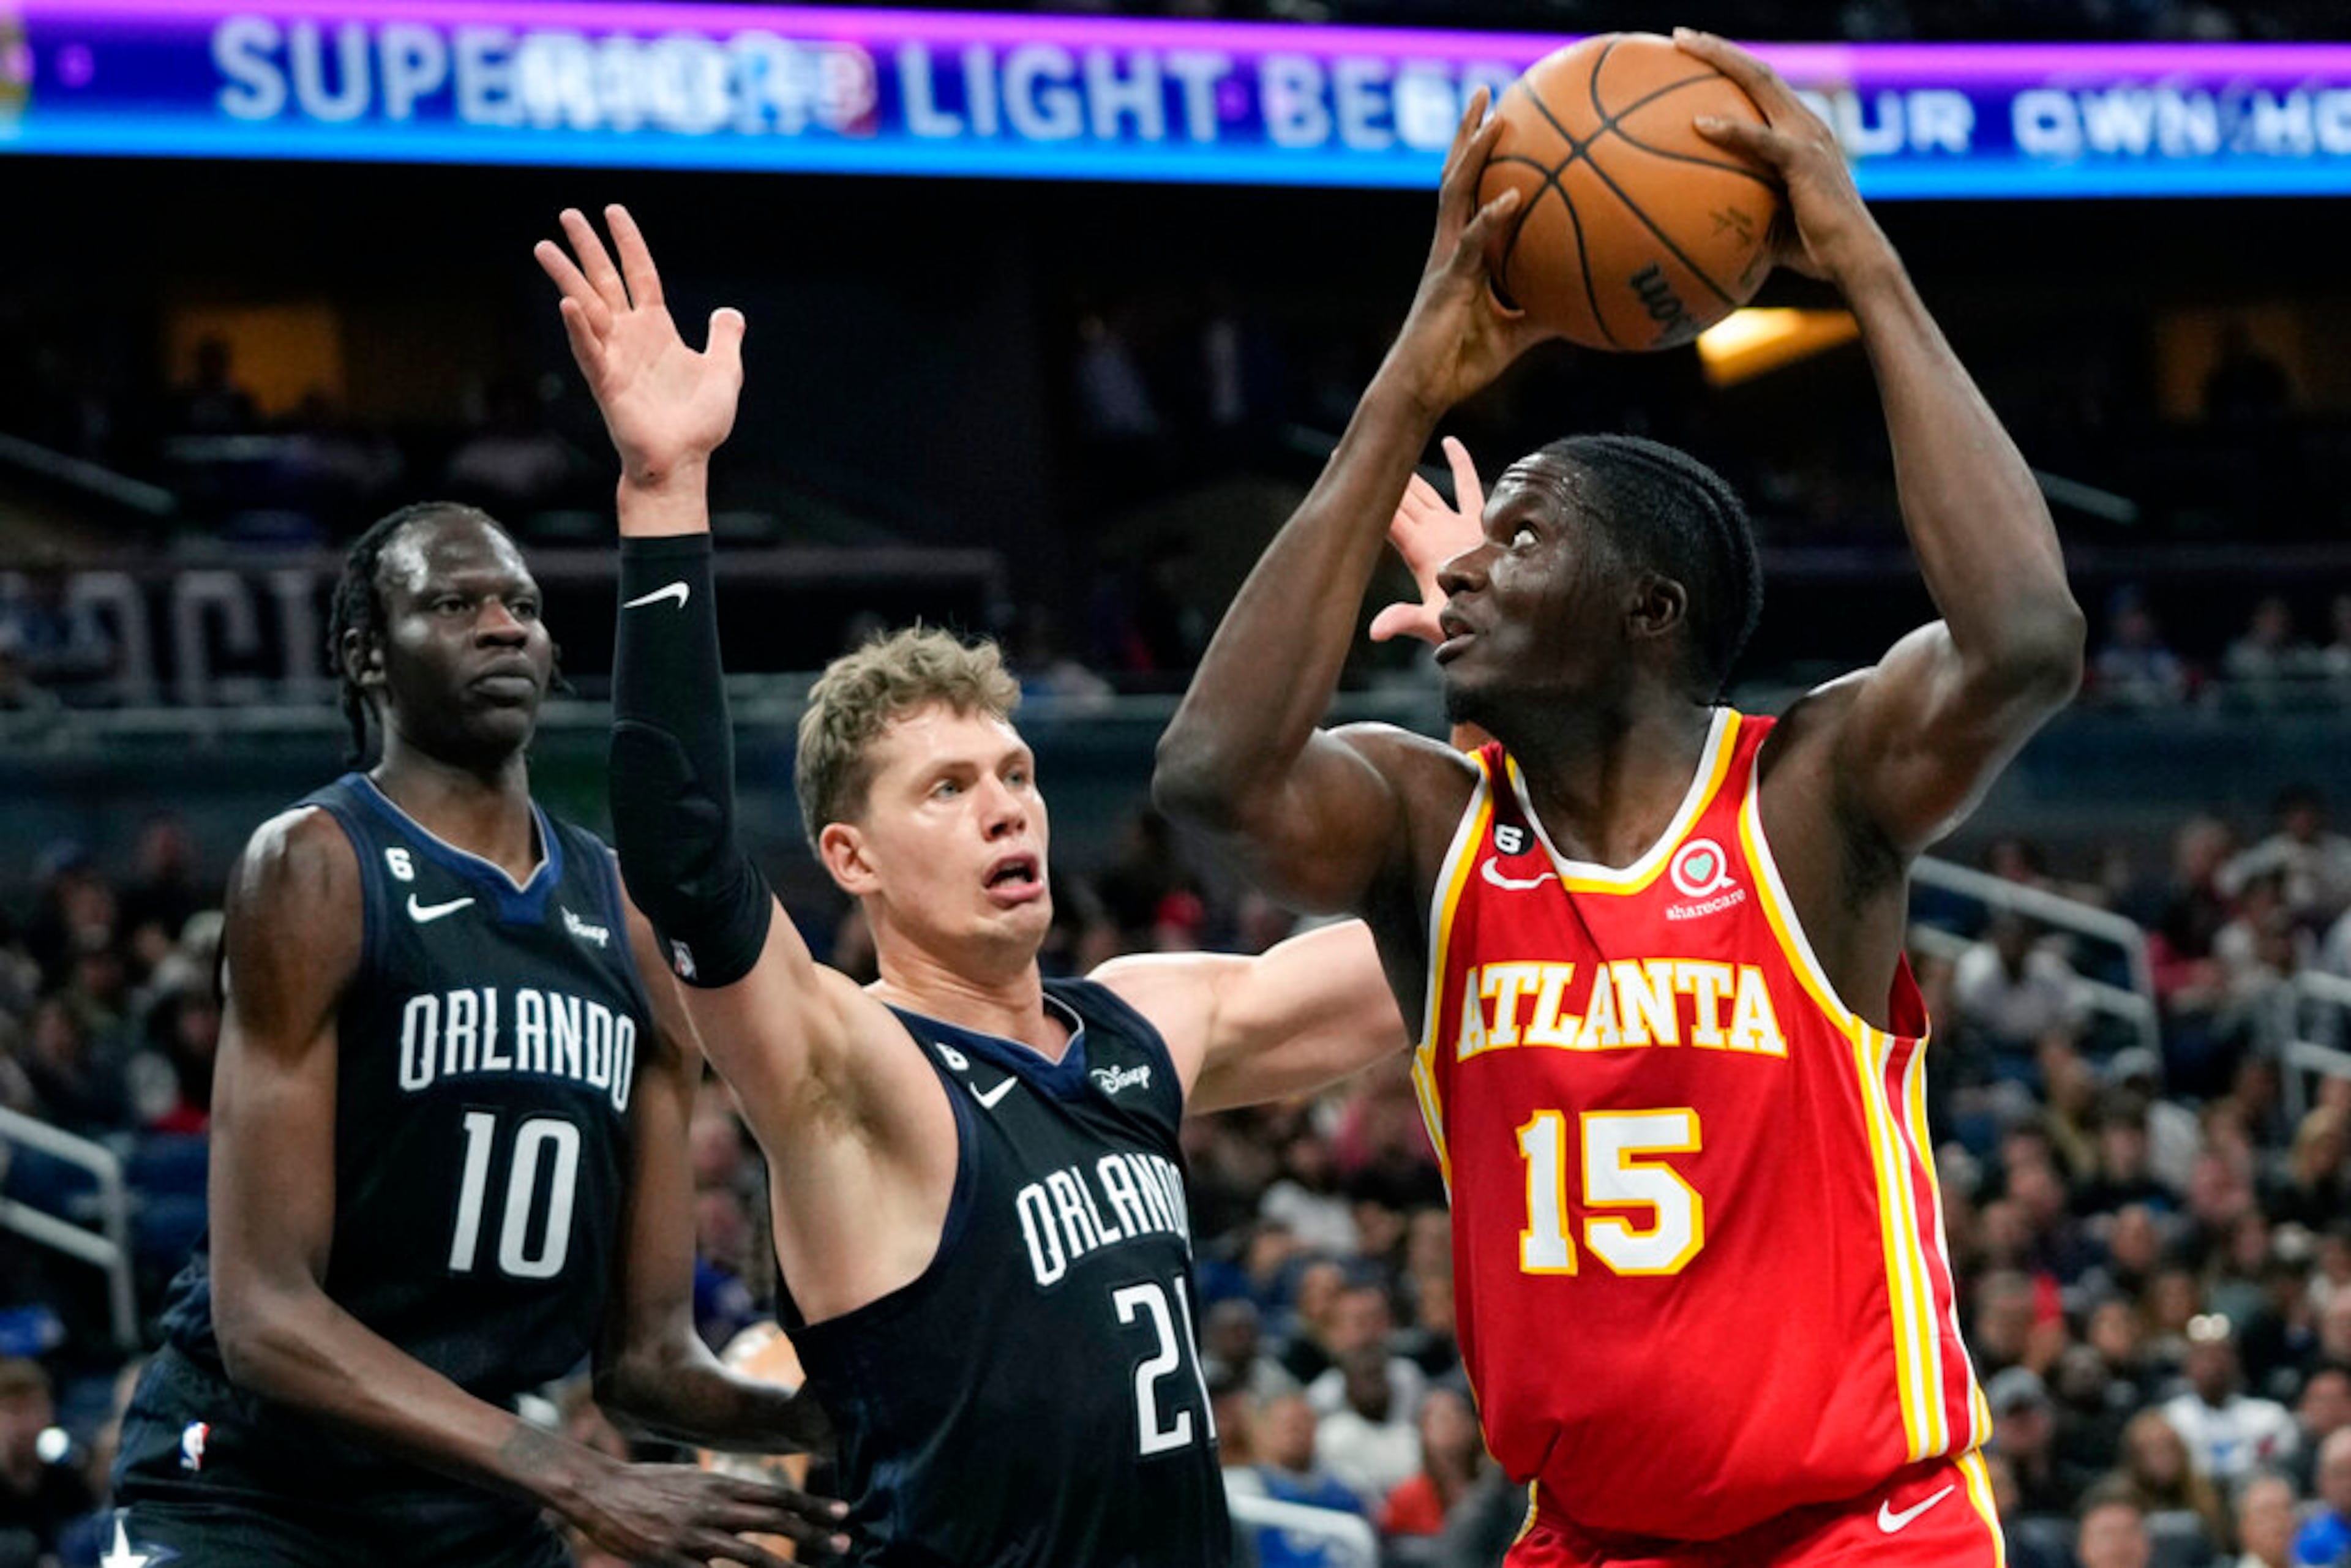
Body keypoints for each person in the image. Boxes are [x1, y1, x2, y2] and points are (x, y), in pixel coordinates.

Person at [1155, 34, 2085, 1568]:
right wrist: (1413, 375)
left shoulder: (1806, 799)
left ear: (1651, 608)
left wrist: (1858, 258)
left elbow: (2028, 643)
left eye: (1520, 542)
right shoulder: (1430, 829)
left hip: (1863, 1533)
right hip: (1584, 1540)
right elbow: (1212, 774)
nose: (1460, 571)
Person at [538, 204, 1412, 1566]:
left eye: (1013, 774)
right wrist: (664, 495)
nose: (1005, 806)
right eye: (947, 789)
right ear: (852, 860)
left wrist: (1495, 687)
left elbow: (1453, 943)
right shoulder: (855, 1070)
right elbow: (685, 855)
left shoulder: (1142, 1025)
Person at [108, 501, 840, 1567]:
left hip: (472, 1502)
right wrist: (579, 1475)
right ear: (367, 655)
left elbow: (644, 1356)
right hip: (250, 1495)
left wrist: (830, 1418)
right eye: (455, 604)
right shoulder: (315, 865)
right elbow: (264, 1316)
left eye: (524, 608)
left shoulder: (631, 920)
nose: (504, 627)